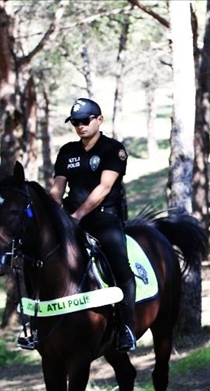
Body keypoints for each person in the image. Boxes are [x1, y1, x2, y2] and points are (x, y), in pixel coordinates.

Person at [48, 98, 136, 352]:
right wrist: (54, 212)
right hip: (70, 220)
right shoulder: (67, 151)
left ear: (99, 120)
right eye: (75, 122)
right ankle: (36, 323)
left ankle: (126, 327)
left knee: (120, 266)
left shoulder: (113, 150)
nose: (80, 126)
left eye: (85, 121)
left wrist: (77, 215)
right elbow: (57, 189)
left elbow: (104, 187)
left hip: (104, 218)